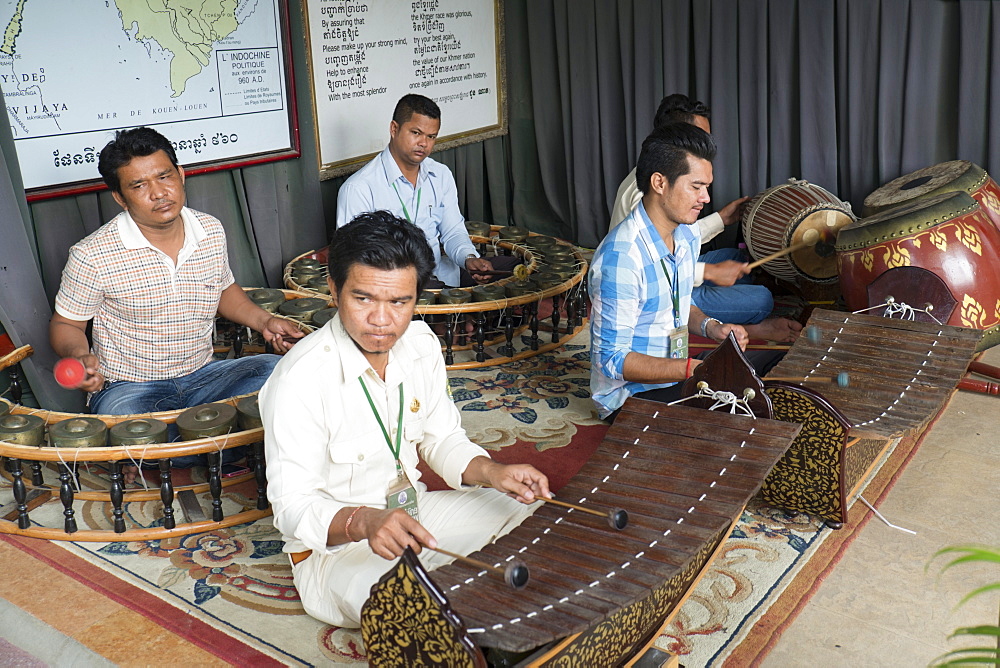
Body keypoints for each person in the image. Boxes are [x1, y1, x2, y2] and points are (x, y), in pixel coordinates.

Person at [260, 211, 550, 628]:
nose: (382, 320)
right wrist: (365, 521)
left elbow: (442, 438)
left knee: (538, 517)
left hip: (416, 513)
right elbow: (293, 508)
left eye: (400, 302)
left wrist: (493, 471)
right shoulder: (298, 380)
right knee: (411, 608)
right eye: (363, 299)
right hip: (337, 555)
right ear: (333, 288)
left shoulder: (420, 345)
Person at [50, 127, 303, 476]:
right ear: (121, 198)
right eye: (139, 186)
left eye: (165, 176)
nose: (158, 193)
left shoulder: (210, 230)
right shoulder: (92, 254)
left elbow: (224, 291)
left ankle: (192, 447)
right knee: (126, 424)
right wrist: (79, 356)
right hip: (132, 389)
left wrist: (264, 322)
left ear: (181, 175)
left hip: (205, 375)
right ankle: (227, 445)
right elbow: (66, 324)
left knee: (283, 374)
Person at [590, 123, 783, 421]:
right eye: (696, 187)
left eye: (706, 187)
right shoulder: (621, 258)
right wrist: (696, 370)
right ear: (659, 183)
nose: (705, 198)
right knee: (747, 410)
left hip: (679, 374)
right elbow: (611, 360)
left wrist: (712, 328)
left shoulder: (687, 235)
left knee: (778, 367)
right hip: (632, 397)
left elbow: (676, 305)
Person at [610, 94, 801, 342]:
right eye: (696, 187)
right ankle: (750, 325)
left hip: (670, 283)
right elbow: (658, 280)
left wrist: (721, 220)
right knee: (761, 299)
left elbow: (681, 245)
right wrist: (709, 272)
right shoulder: (626, 242)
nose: (706, 199)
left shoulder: (667, 196)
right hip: (653, 292)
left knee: (736, 259)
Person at [335, 94, 513, 288]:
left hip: (445, 277)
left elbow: (453, 232)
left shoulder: (441, 174)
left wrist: (468, 259)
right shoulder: (359, 188)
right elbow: (355, 261)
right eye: (416, 133)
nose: (424, 143)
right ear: (394, 129)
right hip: (398, 289)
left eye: (431, 136)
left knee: (514, 269)